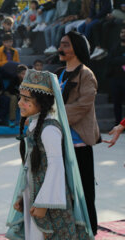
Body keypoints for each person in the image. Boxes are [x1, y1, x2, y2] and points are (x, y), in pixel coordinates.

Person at [6, 69, 94, 240]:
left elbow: (56, 167)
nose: (19, 103)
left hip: (49, 198)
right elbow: (29, 166)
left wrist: (44, 204)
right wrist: (22, 196)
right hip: (35, 193)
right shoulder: (35, 124)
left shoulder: (49, 129)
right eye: (20, 98)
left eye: (26, 99)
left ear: (42, 102)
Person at [56, 30, 100, 235]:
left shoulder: (86, 74)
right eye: (61, 44)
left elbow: (84, 105)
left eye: (65, 44)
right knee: (64, 191)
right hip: (60, 142)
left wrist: (56, 115)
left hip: (79, 142)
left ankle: (89, 229)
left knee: (84, 191)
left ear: (77, 47)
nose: (60, 48)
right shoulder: (59, 74)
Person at [107, 26, 125, 125]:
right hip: (115, 79)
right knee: (116, 103)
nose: (123, 34)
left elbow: (115, 60)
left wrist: (117, 60)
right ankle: (118, 123)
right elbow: (110, 61)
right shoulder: (115, 47)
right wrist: (120, 60)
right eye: (122, 32)